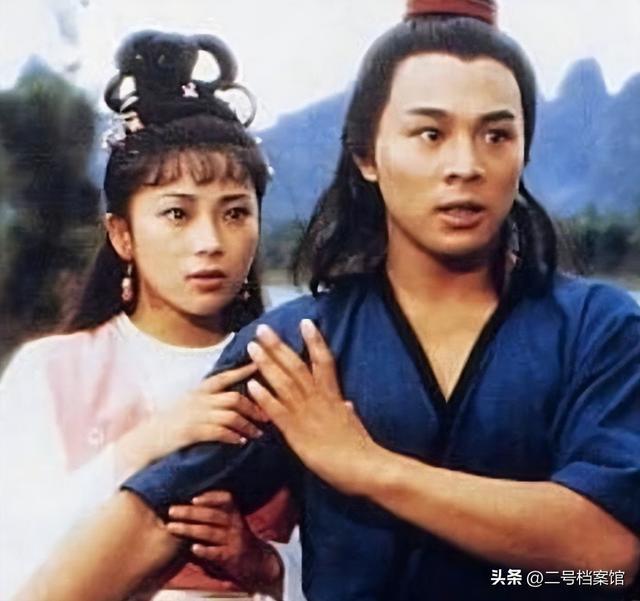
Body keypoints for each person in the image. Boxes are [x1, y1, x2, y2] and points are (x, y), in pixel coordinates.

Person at [16, 1, 640, 600]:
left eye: (496, 135)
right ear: (367, 154)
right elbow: (150, 523)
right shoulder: (295, 347)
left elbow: (607, 558)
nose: (465, 165)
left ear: (525, 149)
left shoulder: (600, 328)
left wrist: (366, 466)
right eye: (429, 133)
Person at [0, 30, 303, 601]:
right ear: (122, 234)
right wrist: (145, 445)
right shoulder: (49, 371)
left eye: (235, 213)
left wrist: (264, 566)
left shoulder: (289, 373)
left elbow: (351, 567)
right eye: (177, 215)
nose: (210, 242)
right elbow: (11, 552)